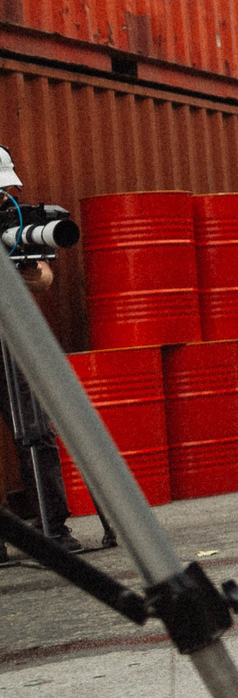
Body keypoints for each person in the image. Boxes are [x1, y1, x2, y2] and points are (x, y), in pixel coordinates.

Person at [1, 146, 114, 559]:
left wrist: (26, 274)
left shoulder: (13, 218)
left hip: (11, 335)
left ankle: (53, 526)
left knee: (35, 429)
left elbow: (44, 277)